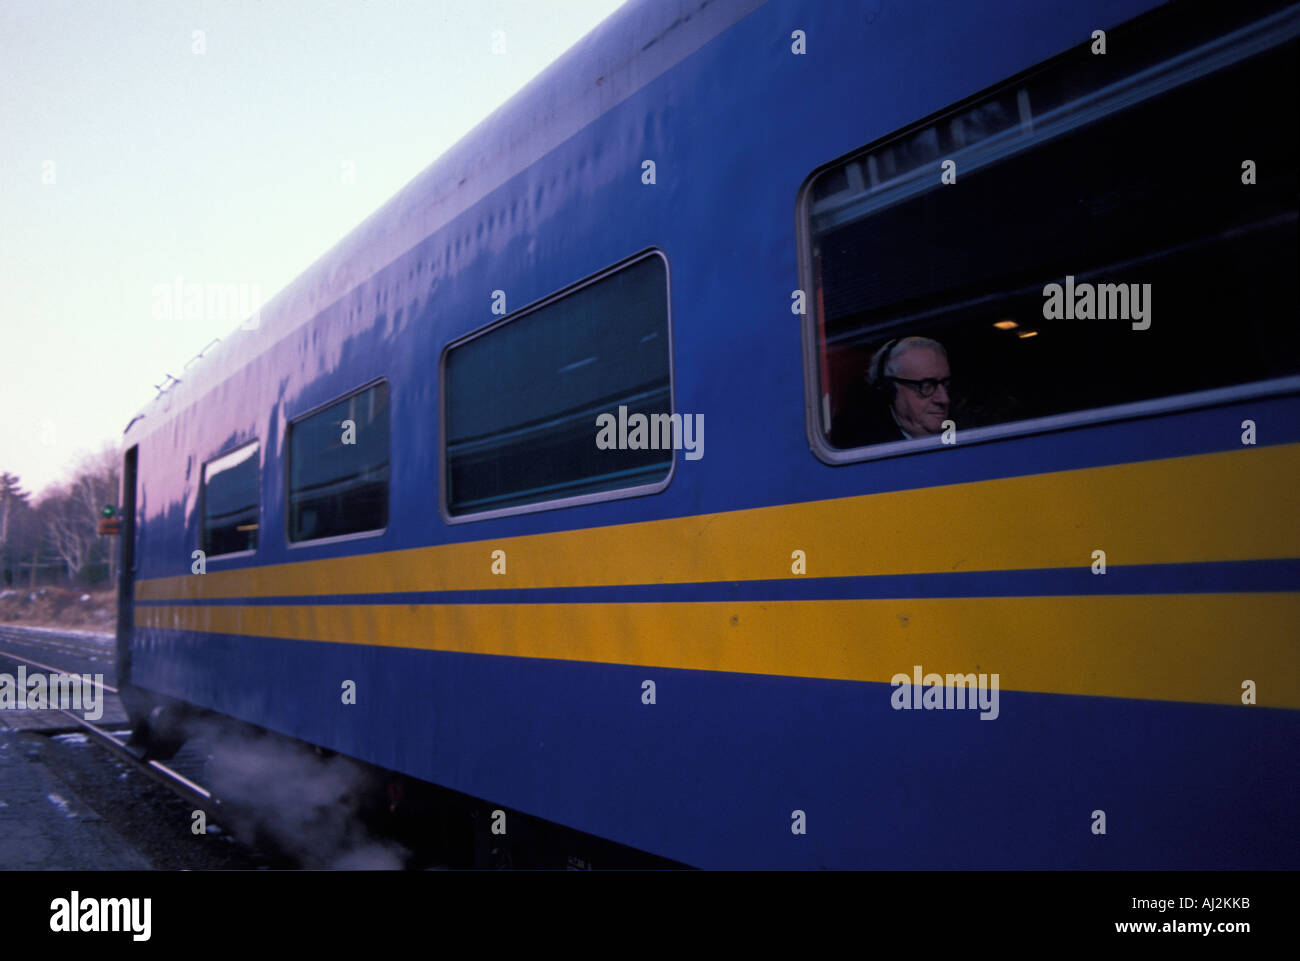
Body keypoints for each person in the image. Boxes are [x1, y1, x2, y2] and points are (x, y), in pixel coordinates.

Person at [831, 336, 951, 446]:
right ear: (890, 390)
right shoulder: (861, 445)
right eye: (927, 386)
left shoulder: (963, 427)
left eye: (945, 384)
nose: (944, 399)